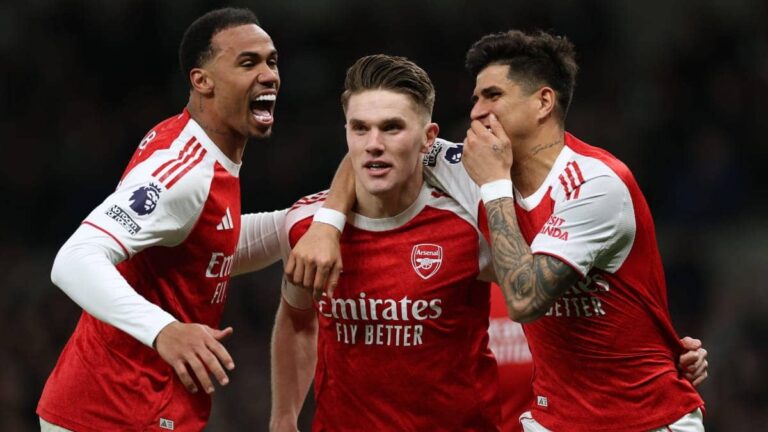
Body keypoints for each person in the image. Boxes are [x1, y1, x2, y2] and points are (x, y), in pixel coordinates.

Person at [286, 31, 709, 432]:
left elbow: (525, 299)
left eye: (493, 96)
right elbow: (376, 151)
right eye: (475, 98)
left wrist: (492, 187)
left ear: (543, 102)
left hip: (647, 418)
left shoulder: (594, 185)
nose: (475, 112)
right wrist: (327, 224)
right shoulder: (473, 166)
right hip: (552, 420)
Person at [37, 7, 288, 431]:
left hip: (138, 407)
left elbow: (209, 248)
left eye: (272, 61)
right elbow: (75, 259)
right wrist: (164, 330)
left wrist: (301, 221)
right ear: (202, 81)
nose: (269, 75)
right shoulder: (184, 171)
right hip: (110, 412)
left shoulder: (202, 151)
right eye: (248, 63)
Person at [270, 54, 502, 431]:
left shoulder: (468, 226)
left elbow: (539, 302)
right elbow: (297, 320)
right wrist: (283, 419)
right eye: (360, 128)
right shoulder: (306, 227)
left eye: (391, 128)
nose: (373, 144)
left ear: (428, 138)